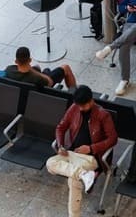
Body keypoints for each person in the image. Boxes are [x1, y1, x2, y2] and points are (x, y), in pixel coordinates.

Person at [45, 85, 117, 216]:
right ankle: (84, 174)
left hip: (91, 158)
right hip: (71, 153)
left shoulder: (102, 115)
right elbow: (60, 127)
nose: (80, 109)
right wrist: (61, 145)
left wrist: (90, 148)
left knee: (73, 180)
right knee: (50, 163)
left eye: (83, 106)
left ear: (91, 101)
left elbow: (113, 139)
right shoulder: (74, 108)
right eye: (78, 106)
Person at [4, 44, 76, 90]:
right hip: (42, 90)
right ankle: (74, 94)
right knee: (65, 67)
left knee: (44, 69)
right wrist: (32, 70)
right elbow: (50, 82)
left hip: (24, 93)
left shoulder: (9, 70)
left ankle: (46, 71)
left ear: (16, 61)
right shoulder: (36, 78)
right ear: (30, 60)